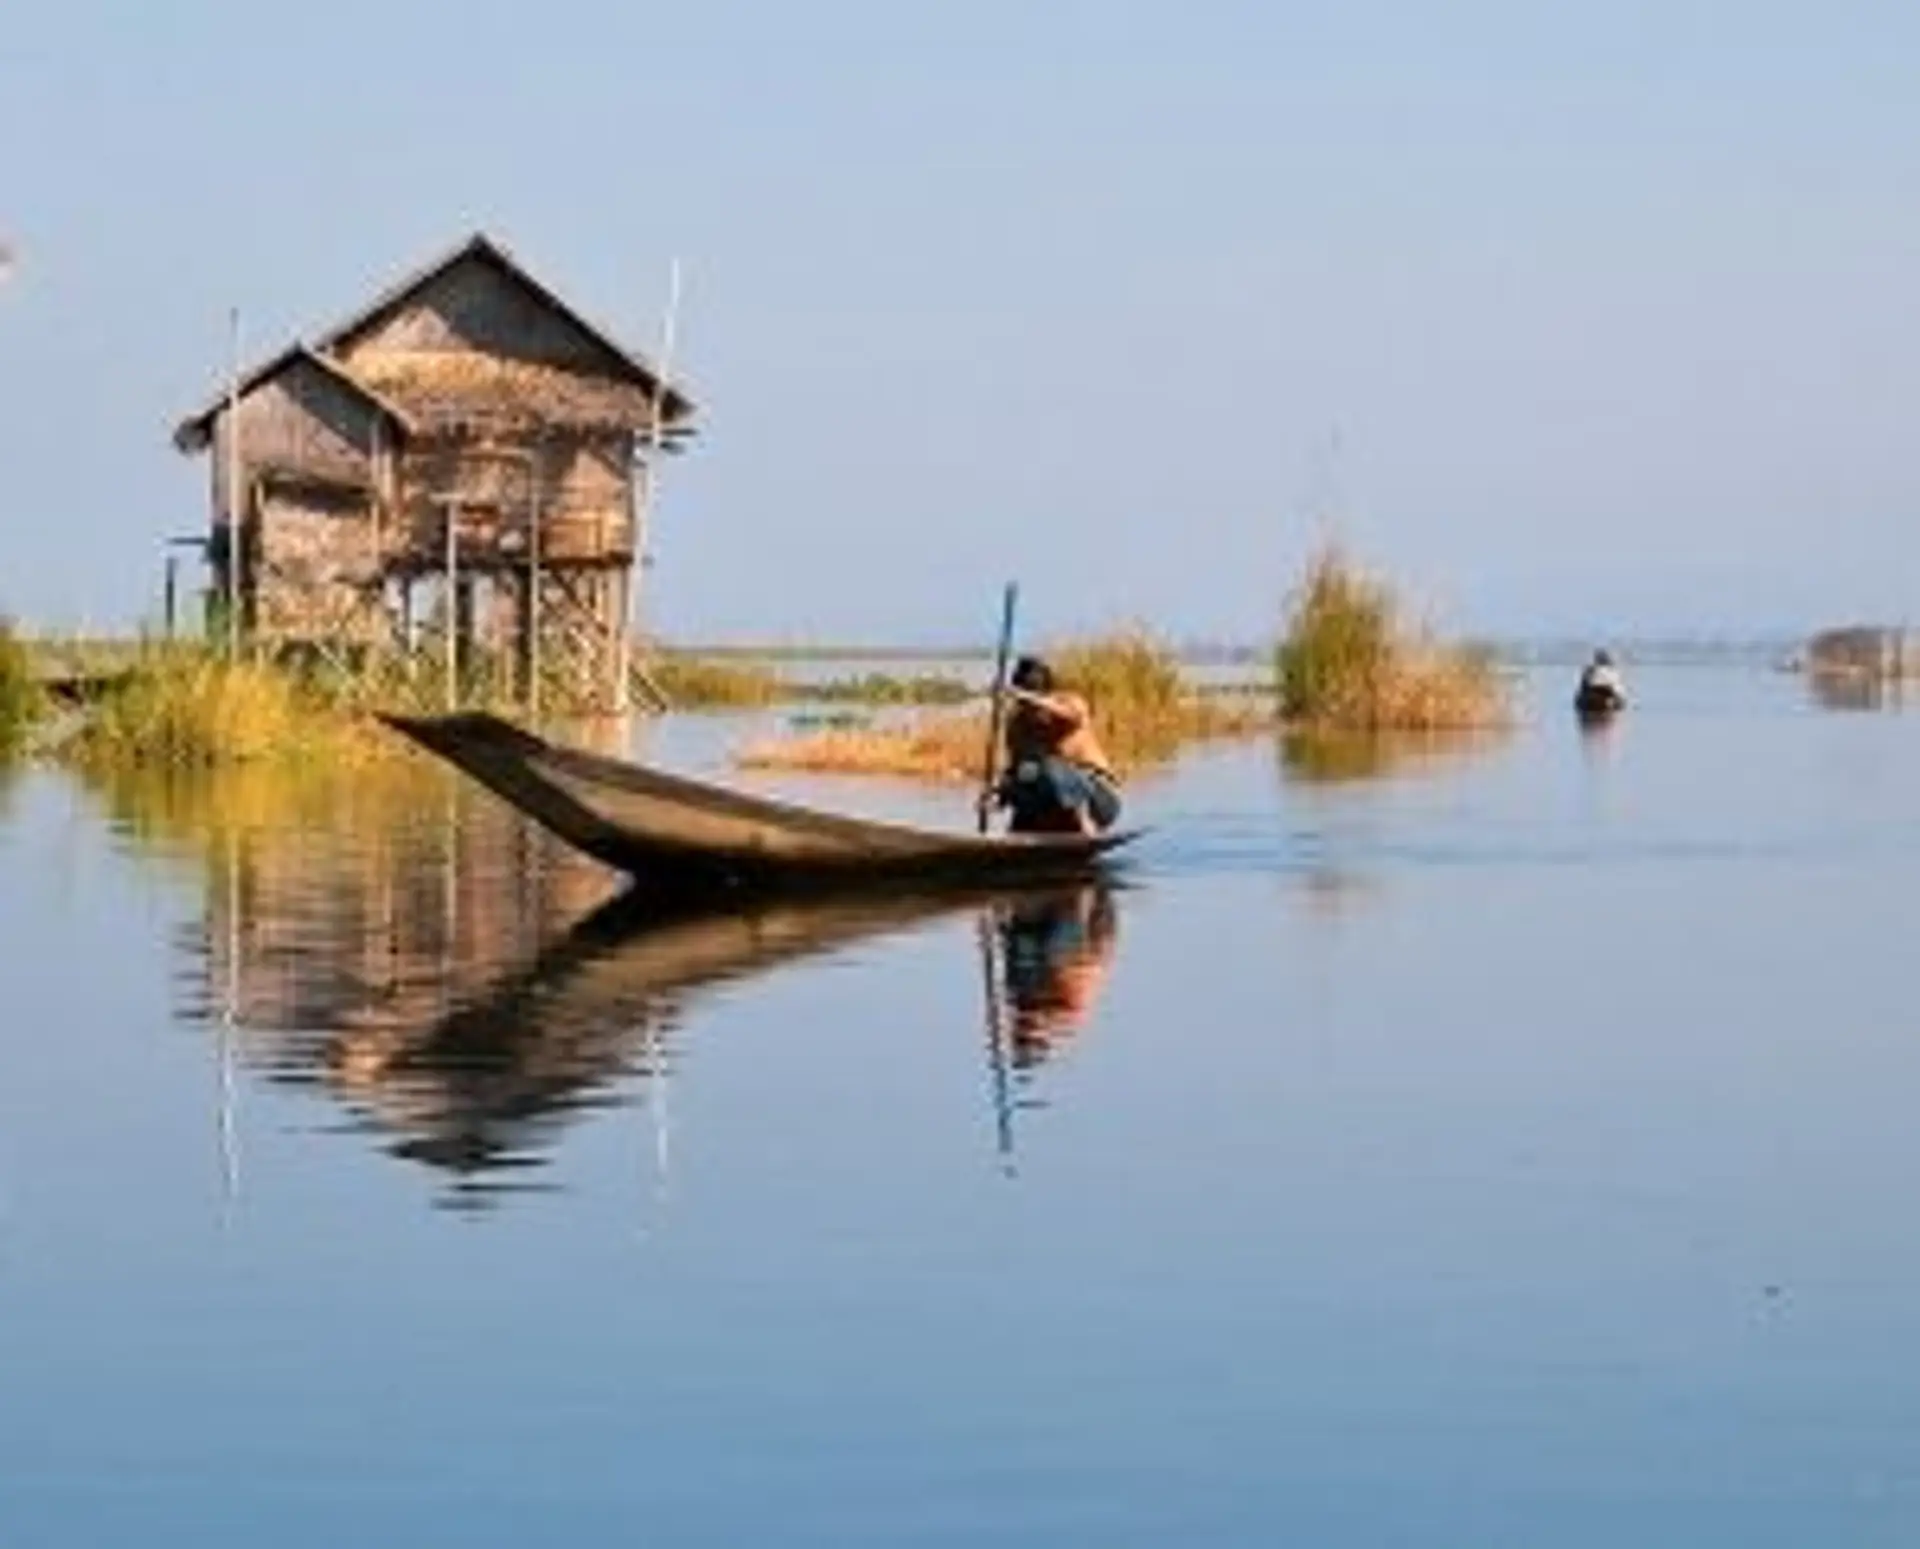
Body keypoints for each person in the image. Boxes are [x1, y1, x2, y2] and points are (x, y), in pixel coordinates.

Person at [980, 655, 1123, 835]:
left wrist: (1026, 696)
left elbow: (1072, 715)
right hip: (1052, 800)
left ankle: (1085, 826)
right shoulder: (1018, 723)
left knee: (1050, 766)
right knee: (1023, 774)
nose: (1029, 711)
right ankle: (1018, 835)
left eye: (1032, 702)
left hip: (1098, 799)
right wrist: (997, 796)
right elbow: (1016, 768)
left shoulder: (1070, 703)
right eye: (1022, 704)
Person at [1575, 648, 1627, 715]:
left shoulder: (1590, 670)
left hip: (1594, 695)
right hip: (1603, 695)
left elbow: (1583, 688)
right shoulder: (1612, 671)